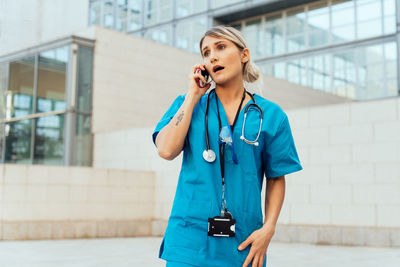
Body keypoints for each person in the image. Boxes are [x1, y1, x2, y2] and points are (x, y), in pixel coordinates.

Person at [152, 25, 303, 267]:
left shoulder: (271, 115)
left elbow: (276, 177)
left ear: (244, 55)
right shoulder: (188, 105)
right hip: (189, 240)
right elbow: (166, 150)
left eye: (221, 47)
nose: (212, 56)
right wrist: (193, 96)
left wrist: (269, 229)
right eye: (206, 52)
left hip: (244, 244)